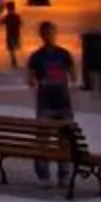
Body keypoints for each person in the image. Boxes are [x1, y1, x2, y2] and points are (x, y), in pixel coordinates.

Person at [25, 21, 77, 182]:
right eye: (46, 33)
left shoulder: (64, 54)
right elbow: (30, 79)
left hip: (63, 103)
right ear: (42, 36)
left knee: (65, 140)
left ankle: (64, 174)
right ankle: (44, 174)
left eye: (52, 33)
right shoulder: (37, 56)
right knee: (43, 140)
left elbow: (74, 75)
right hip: (46, 103)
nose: (49, 37)